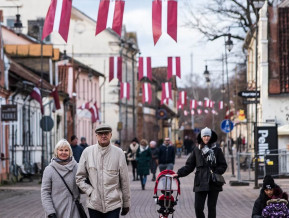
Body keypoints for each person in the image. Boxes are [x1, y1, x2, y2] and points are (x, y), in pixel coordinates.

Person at [76, 124, 130, 218]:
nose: (103, 136)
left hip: (113, 204)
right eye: (100, 133)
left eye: (106, 133)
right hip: (94, 204)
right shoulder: (87, 152)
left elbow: (124, 180)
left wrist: (126, 203)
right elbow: (79, 178)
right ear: (96, 135)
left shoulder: (119, 153)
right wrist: (90, 191)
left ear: (111, 135)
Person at [173, 127, 227, 218]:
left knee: (211, 208)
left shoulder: (217, 150)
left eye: (208, 136)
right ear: (201, 137)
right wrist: (179, 173)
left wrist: (216, 172)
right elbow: (189, 166)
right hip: (200, 182)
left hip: (213, 183)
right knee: (198, 208)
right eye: (204, 136)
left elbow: (223, 165)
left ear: (211, 137)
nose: (206, 138)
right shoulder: (196, 150)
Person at [41, 139, 81, 218]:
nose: (63, 152)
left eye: (66, 150)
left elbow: (82, 188)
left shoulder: (77, 167)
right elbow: (45, 193)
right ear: (56, 151)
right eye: (61, 150)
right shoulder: (49, 169)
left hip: (74, 211)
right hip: (56, 212)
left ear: (70, 152)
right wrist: (50, 212)